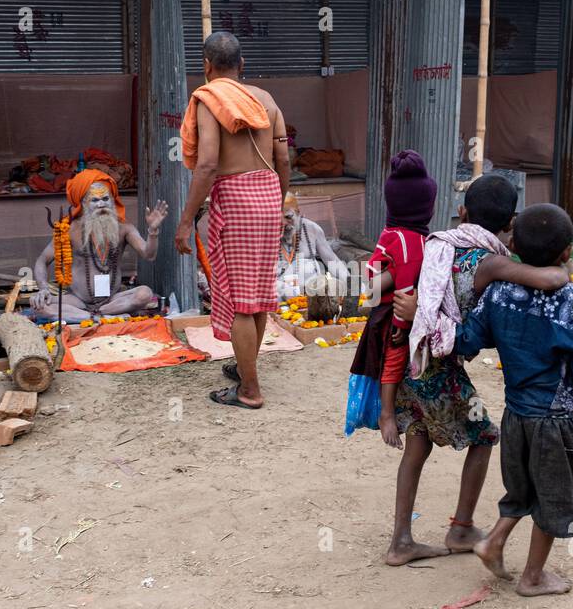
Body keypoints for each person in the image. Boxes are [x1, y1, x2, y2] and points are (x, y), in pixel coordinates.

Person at [385, 175, 568, 565]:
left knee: (418, 442)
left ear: (463, 213)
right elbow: (545, 277)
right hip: (441, 367)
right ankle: (462, 525)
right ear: (510, 223)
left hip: (414, 359)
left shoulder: (439, 245)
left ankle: (401, 538)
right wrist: (564, 270)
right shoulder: (489, 262)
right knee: (485, 435)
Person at [454, 204, 573, 596]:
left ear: (513, 244)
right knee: (553, 496)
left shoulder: (498, 291)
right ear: (567, 252)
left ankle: (493, 541)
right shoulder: (570, 298)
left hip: (515, 413)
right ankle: (533, 577)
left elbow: (470, 338)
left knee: (521, 489)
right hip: (553, 417)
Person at [174, 31, 290, 409]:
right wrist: (277, 201)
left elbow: (207, 164)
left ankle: (250, 391)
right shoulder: (267, 99)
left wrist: (185, 220)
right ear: (242, 66)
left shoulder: (209, 100)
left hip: (237, 199)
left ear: (206, 67)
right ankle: (246, 370)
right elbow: (284, 159)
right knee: (256, 298)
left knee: (243, 301)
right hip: (269, 194)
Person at [345, 150, 435, 449]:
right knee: (395, 357)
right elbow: (404, 287)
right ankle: (386, 414)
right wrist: (400, 323)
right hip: (391, 312)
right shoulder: (410, 240)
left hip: (381, 301)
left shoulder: (398, 232)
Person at [31, 169, 167, 320]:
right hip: (77, 301)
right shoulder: (69, 229)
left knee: (144, 294)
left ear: (112, 200)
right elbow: (42, 261)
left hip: (111, 300)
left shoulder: (124, 227)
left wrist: (153, 230)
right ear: (83, 203)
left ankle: (96, 315)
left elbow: (149, 254)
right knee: (39, 305)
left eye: (105, 198)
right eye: (94, 200)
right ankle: (98, 316)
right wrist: (43, 288)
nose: (101, 204)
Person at [276, 191, 347, 301]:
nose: (283, 223)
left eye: (288, 217)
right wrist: (283, 288)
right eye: (277, 218)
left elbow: (333, 262)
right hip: (277, 302)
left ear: (298, 213)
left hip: (313, 299)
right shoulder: (261, 235)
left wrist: (352, 283)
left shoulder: (312, 229)